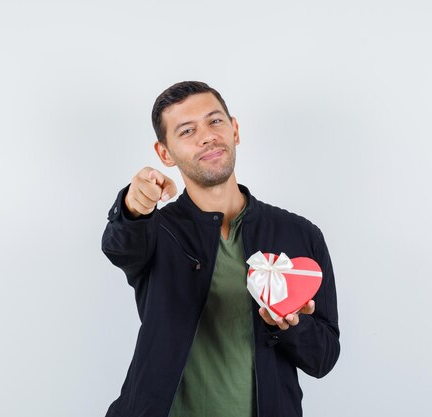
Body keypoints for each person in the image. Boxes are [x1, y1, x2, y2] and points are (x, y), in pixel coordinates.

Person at [102, 81, 340, 417]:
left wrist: (292, 326)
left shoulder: (299, 235)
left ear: (235, 130)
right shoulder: (155, 230)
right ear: (165, 154)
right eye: (187, 130)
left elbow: (324, 358)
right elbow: (119, 247)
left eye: (215, 121)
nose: (206, 136)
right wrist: (132, 207)